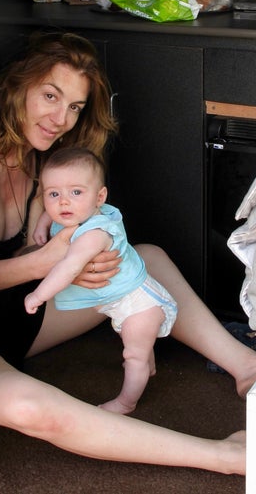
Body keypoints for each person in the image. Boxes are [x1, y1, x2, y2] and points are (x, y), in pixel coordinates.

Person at [0, 31, 256, 475]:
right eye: (50, 96)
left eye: (74, 107)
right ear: (17, 86)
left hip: (23, 317)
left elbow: (50, 246)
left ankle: (247, 365)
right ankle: (224, 457)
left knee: (145, 257)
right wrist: (45, 263)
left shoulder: (43, 158)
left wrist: (76, 261)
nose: (61, 118)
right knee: (27, 409)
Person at [25, 147, 178, 415]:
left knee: (134, 355)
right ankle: (148, 363)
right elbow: (54, 210)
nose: (63, 203)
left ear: (100, 197)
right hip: (115, 298)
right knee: (137, 345)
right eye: (53, 194)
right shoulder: (76, 211)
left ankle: (126, 402)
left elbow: (69, 268)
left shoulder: (95, 233)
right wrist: (41, 224)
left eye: (75, 192)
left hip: (137, 304)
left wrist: (38, 296)